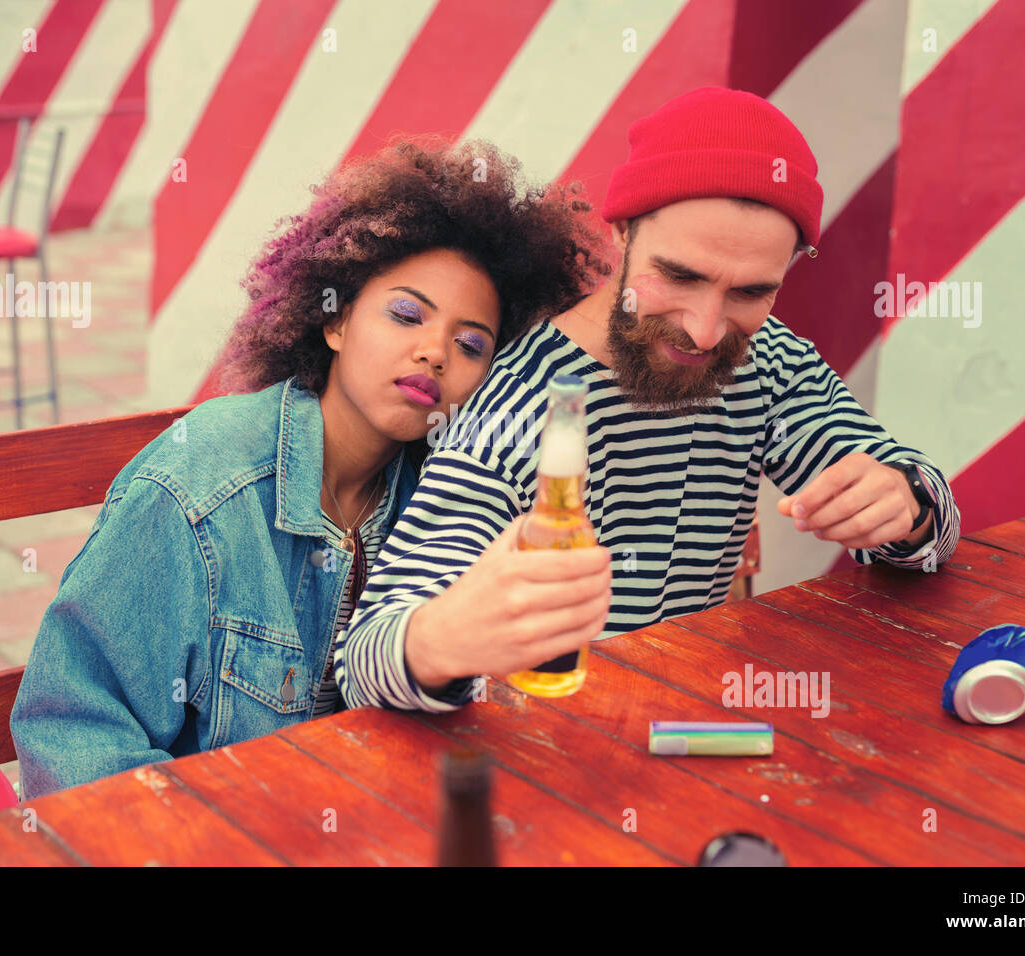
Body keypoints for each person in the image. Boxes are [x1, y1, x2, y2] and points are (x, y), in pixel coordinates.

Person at [9, 139, 611, 798]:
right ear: (336, 321)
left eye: (471, 344)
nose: (435, 352)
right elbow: (75, 732)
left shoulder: (446, 493)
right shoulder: (198, 487)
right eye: (406, 314)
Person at [336, 87, 963, 710]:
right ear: (620, 232)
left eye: (750, 293)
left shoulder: (770, 359)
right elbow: (366, 661)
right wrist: (443, 639)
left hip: (694, 727)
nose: (706, 329)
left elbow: (931, 528)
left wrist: (906, 506)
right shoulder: (522, 405)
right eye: (680, 276)